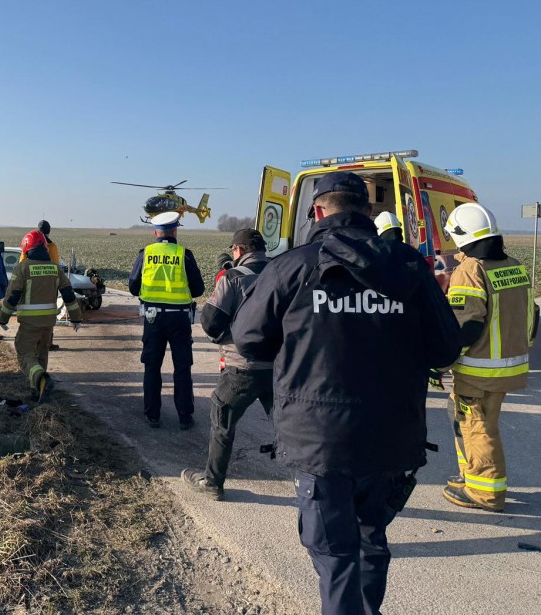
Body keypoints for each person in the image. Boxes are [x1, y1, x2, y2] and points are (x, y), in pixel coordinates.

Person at [231, 171, 460, 615]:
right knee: (372, 542)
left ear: (318, 212)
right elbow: (446, 347)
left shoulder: (292, 267)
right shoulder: (409, 266)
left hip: (320, 443)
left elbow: (248, 338)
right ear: (368, 213)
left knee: (336, 558)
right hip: (391, 440)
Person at [439, 203, 539, 512]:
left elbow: (465, 326)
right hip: (507, 365)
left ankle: (485, 494)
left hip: (478, 371)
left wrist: (438, 363)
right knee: (466, 421)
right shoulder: (512, 265)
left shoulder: (470, 270)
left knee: (477, 427)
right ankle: (471, 475)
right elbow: (533, 314)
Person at [182, 228, 272, 498]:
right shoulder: (284, 272)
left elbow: (209, 321)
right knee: (289, 429)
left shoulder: (233, 278)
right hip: (279, 368)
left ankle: (213, 481)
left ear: (240, 251)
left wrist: (223, 336)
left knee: (222, 420)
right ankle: (312, 483)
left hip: (241, 368)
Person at [128, 211, 205, 430]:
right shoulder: (184, 254)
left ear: (155, 232)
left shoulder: (146, 253)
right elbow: (198, 289)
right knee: (182, 368)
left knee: (152, 367)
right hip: (179, 319)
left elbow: (133, 287)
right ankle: (184, 417)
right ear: (175, 231)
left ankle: (152, 415)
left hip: (153, 320)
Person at [0, 229, 82, 402]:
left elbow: (12, 295)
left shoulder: (23, 268)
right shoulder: (55, 268)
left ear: (27, 248)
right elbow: (68, 294)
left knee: (25, 353)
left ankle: (41, 380)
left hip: (29, 323)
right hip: (48, 323)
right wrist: (75, 317)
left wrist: (3, 318)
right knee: (42, 354)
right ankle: (37, 390)